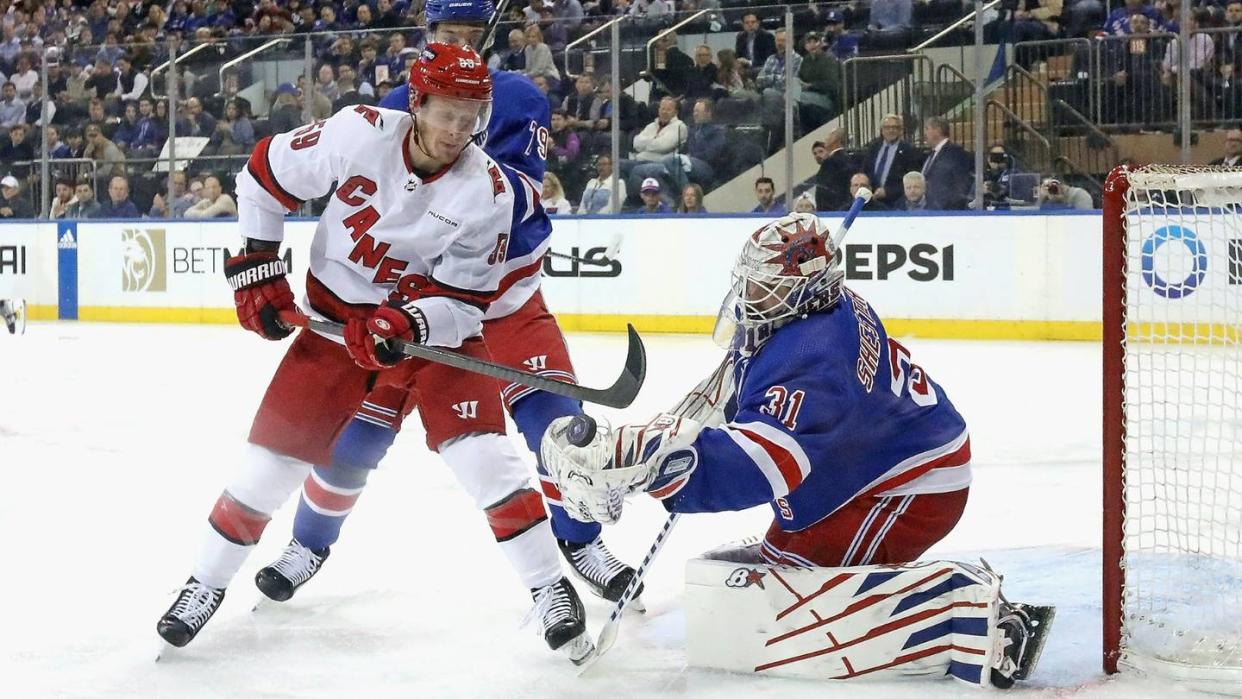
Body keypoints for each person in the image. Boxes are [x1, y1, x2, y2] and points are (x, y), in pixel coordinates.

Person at [154, 45, 595, 666]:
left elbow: (467, 305)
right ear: (416, 102)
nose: (457, 131)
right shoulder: (355, 133)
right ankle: (203, 583)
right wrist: (257, 265)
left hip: (432, 339)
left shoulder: (490, 192)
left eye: (472, 116)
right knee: (268, 468)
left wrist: (406, 319)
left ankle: (551, 588)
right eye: (446, 113)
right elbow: (262, 177)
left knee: (486, 459)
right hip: (334, 330)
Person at [539, 212, 1053, 690]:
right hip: (861, 464)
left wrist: (653, 470)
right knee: (778, 572)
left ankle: (976, 616)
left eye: (765, 287)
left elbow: (759, 467)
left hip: (911, 486)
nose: (750, 295)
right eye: (751, 281)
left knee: (792, 605)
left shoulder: (813, 357)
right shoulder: (814, 315)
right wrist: (657, 443)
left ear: (804, 292)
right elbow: (744, 381)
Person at [920, 117, 973, 210]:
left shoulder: (955, 152)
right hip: (931, 210)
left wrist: (950, 207)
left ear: (938, 130)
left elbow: (961, 184)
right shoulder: (932, 154)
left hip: (946, 211)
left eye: (927, 129)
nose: (925, 133)